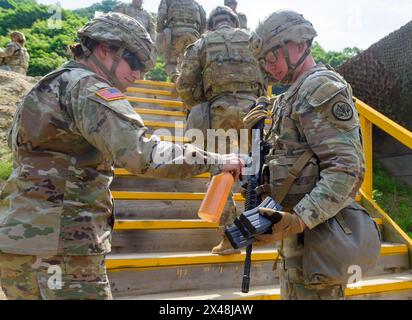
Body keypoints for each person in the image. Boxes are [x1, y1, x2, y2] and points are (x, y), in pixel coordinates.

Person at [0, 12, 243, 300]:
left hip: (20, 243)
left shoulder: (47, 86)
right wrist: (216, 160)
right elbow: (142, 153)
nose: (139, 74)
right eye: (134, 62)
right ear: (105, 49)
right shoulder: (90, 89)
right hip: (63, 248)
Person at [246, 10, 365, 299]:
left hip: (316, 240)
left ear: (298, 44)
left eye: (272, 56)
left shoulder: (320, 88)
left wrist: (299, 219)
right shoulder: (290, 95)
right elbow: (288, 165)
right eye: (264, 61)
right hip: (296, 242)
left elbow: (347, 169)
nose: (269, 66)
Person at [176, 6, 266, 255]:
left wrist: (201, 103)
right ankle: (260, 227)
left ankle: (230, 239)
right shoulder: (251, 39)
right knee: (256, 173)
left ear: (210, 24)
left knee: (222, 172)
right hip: (255, 111)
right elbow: (267, 74)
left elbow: (184, 85)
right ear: (234, 21)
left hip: (220, 110)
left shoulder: (202, 43)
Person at [156, 0, 206, 82]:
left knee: (170, 63)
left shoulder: (167, 1)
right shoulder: (196, 3)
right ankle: (190, 83)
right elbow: (204, 22)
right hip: (194, 34)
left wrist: (161, 31)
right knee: (193, 63)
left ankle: (176, 80)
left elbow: (160, 18)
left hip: (175, 33)